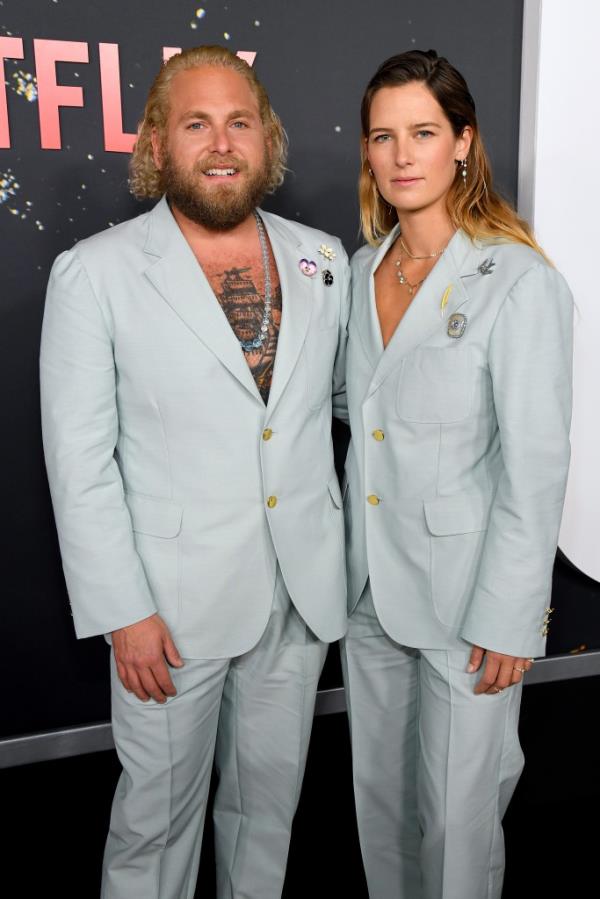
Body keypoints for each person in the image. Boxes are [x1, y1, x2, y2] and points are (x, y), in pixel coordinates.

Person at [40, 45, 349, 899]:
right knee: (156, 823)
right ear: (157, 142)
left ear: (266, 137)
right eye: (198, 123)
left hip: (296, 595)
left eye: (240, 122)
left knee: (266, 813)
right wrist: (123, 610)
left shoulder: (325, 258)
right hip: (166, 612)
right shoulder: (94, 275)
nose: (222, 143)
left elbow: (351, 405)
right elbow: (79, 460)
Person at [341, 49, 573, 899]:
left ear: (464, 144)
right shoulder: (359, 271)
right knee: (383, 809)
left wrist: (512, 616)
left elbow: (537, 462)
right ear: (367, 153)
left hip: (469, 603)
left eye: (425, 133)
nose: (403, 155)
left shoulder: (518, 280)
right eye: (384, 136)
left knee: (456, 823)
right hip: (370, 589)